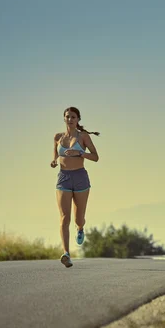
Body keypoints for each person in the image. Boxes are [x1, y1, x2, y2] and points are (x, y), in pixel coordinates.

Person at [50, 107, 100, 268]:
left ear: (78, 119)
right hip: (63, 178)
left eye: (73, 117)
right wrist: (54, 161)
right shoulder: (57, 137)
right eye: (67, 117)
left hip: (80, 178)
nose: (70, 119)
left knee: (78, 218)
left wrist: (80, 154)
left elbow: (95, 157)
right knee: (64, 218)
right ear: (64, 119)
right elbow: (55, 156)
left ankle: (80, 228)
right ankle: (66, 253)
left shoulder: (83, 137)